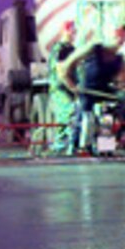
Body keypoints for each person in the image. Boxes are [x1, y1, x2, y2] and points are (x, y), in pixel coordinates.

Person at [61, 25, 125, 153]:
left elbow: (123, 80)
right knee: (84, 116)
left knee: (110, 115)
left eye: (122, 38)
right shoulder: (94, 48)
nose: (119, 40)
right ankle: (75, 147)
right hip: (87, 90)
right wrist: (71, 85)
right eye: (117, 36)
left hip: (104, 91)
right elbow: (65, 66)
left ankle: (106, 147)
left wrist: (123, 90)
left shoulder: (119, 59)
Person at [47, 21, 78, 153]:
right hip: (61, 89)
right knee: (68, 113)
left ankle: (70, 145)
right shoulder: (63, 49)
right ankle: (60, 146)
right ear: (66, 30)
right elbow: (61, 73)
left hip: (66, 88)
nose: (74, 33)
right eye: (73, 30)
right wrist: (73, 88)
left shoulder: (67, 48)